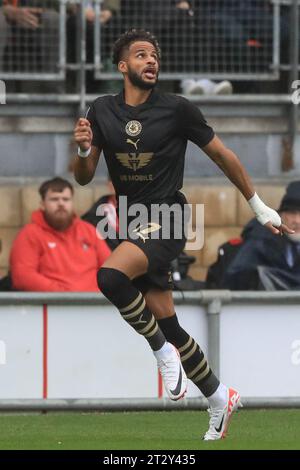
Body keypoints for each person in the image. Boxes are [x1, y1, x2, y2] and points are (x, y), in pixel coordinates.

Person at [73, 29, 293, 441]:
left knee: (110, 278)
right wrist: (84, 150)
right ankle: (218, 396)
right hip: (132, 218)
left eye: (155, 55)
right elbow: (84, 180)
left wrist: (259, 206)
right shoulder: (101, 109)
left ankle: (160, 353)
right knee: (168, 321)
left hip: (169, 216)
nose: (151, 60)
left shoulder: (177, 109)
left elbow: (223, 156)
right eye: (141, 55)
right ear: (123, 66)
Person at [10, 177, 111, 292]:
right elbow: (23, 277)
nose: (61, 203)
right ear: (42, 204)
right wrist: (63, 295)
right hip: (51, 305)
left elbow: (111, 269)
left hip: (95, 303)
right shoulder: (29, 234)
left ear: (72, 203)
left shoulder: (89, 230)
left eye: (66, 199)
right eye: (54, 199)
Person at [216, 181, 300, 291]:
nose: (297, 221)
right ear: (281, 215)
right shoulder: (261, 239)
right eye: (292, 213)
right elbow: (239, 276)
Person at [0, 0, 59, 74]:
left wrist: (39, 9)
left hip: (35, 16)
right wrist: (5, 10)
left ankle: (52, 79)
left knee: (53, 18)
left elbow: (57, 6)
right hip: (4, 15)